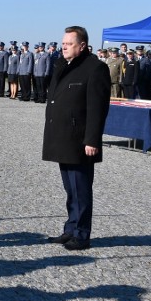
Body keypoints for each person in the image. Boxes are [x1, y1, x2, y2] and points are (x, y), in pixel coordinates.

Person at [42, 26, 110, 251]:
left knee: (80, 190)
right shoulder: (62, 65)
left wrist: (92, 140)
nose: (63, 47)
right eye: (63, 43)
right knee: (70, 189)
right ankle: (70, 229)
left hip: (80, 140)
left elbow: (97, 108)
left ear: (82, 46)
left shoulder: (95, 68)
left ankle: (82, 235)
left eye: (69, 44)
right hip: (62, 138)